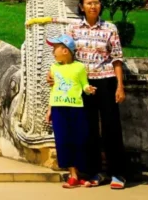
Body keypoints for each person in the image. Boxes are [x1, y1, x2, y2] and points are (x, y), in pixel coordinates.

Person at [68, 0, 128, 189]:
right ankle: (95, 172)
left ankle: (118, 173)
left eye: (96, 2)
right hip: (84, 85)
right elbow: (67, 58)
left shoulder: (110, 29)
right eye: (89, 3)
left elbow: (117, 58)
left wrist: (120, 86)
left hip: (106, 81)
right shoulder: (73, 29)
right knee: (89, 129)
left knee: (112, 127)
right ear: (81, 7)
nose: (93, 6)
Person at [45, 34, 97, 188]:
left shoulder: (79, 67)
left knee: (80, 140)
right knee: (63, 141)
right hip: (58, 108)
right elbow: (53, 90)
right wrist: (49, 109)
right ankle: (72, 175)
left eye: (55, 49)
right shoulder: (54, 68)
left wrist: (89, 89)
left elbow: (84, 85)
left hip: (76, 108)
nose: (53, 52)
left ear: (66, 51)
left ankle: (81, 174)